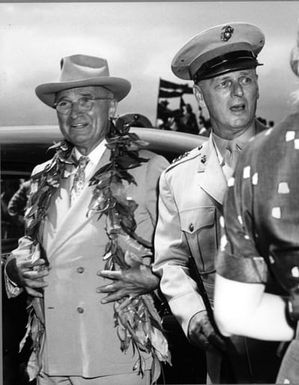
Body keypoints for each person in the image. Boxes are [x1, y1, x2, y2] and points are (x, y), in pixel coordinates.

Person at [4, 54, 169, 385]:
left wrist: (154, 279)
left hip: (114, 356)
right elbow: (29, 247)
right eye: (64, 103)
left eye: (86, 100)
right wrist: (13, 269)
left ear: (111, 108)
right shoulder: (41, 176)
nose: (75, 112)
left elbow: (184, 257)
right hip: (52, 355)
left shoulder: (150, 169)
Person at [153, 22, 282, 383]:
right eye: (223, 83)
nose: (237, 91)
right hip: (226, 363)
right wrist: (193, 316)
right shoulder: (178, 179)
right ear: (199, 94)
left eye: (245, 78)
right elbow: (170, 261)